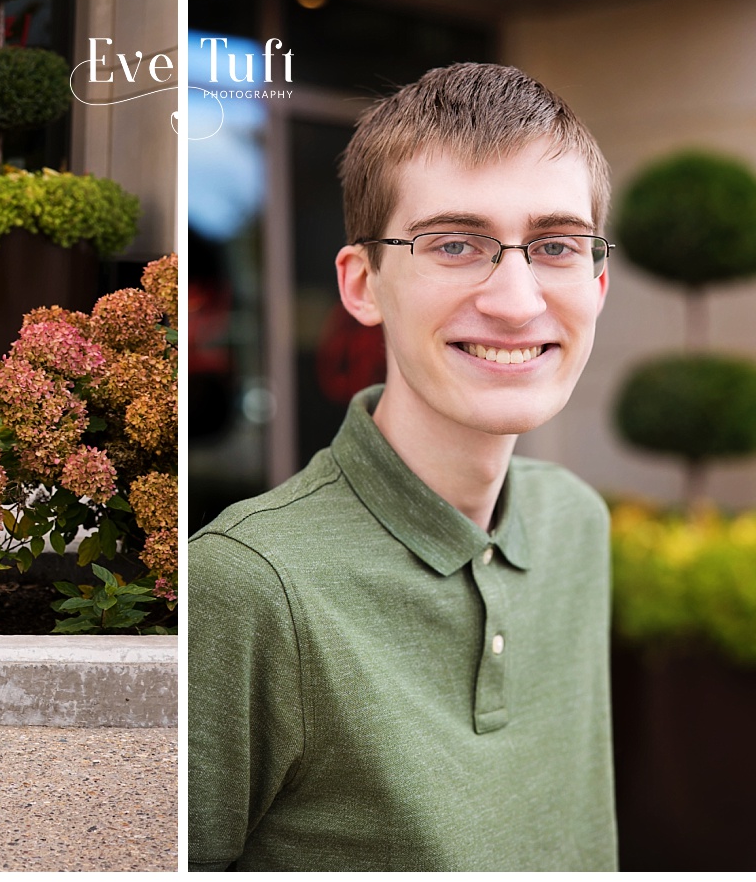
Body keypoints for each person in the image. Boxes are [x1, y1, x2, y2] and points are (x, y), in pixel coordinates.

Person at [188, 63, 618, 871]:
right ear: (363, 283)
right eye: (455, 243)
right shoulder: (249, 586)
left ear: (598, 281)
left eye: (556, 245)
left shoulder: (577, 523)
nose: (518, 299)